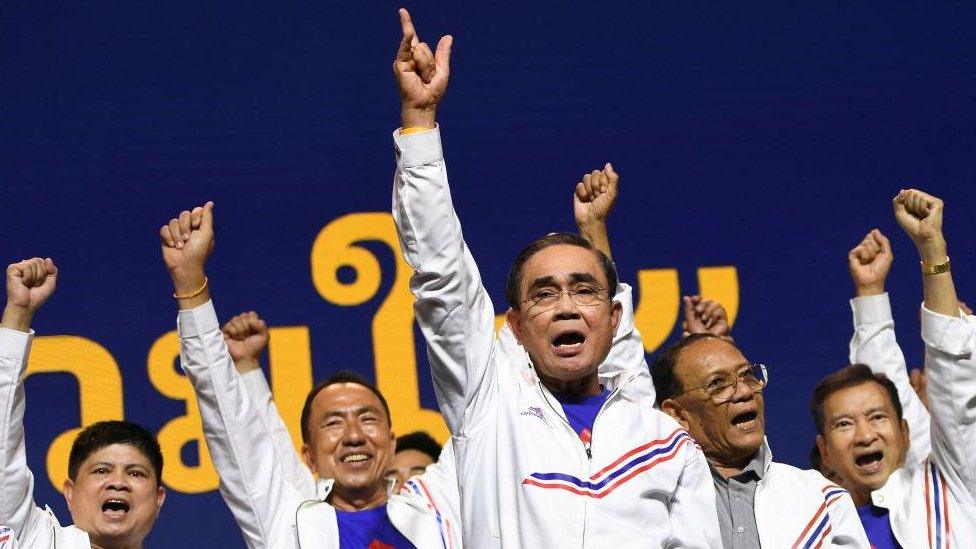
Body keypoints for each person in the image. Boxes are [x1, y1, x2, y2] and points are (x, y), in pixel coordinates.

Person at [390, 8, 720, 548]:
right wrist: (420, 124)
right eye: (543, 294)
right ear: (515, 326)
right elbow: (442, 274)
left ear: (614, 318)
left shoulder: (664, 443)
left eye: (584, 290)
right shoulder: (488, 408)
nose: (566, 306)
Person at [160, 203, 458, 548]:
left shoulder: (437, 507)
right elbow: (232, 426)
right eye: (332, 423)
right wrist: (190, 285)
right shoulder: (290, 525)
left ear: (391, 443)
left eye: (367, 418)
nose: (354, 435)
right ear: (309, 458)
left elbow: (472, 374)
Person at [823, 188, 976, 547]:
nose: (865, 435)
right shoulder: (814, 523)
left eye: (878, 420)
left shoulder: (952, 481)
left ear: (906, 434)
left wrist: (932, 248)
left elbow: (953, 376)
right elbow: (877, 392)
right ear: (824, 451)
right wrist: (871, 292)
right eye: (844, 424)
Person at [0, 258, 166, 548]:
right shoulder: (37, 540)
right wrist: (18, 314)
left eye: (136, 473)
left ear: (158, 499)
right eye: (101, 470)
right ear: (70, 493)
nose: (118, 482)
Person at [651, 331, 869, 545]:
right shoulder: (653, 497)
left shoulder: (822, 500)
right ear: (677, 414)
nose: (745, 391)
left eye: (747, 375)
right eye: (718, 383)